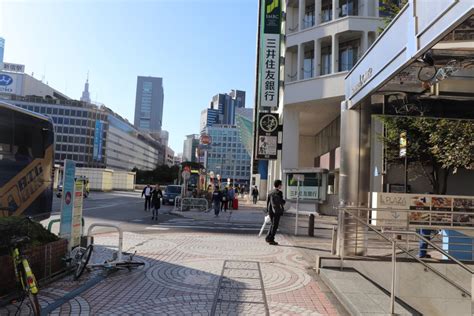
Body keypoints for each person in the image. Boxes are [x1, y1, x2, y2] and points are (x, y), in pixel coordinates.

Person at [265, 180, 285, 245]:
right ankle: (271, 239)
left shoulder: (270, 192)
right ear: (279, 185)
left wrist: (267, 211)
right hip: (277, 211)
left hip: (271, 211)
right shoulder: (279, 193)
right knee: (275, 225)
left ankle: (268, 237)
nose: (281, 186)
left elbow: (268, 202)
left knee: (272, 224)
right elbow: (282, 202)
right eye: (281, 184)